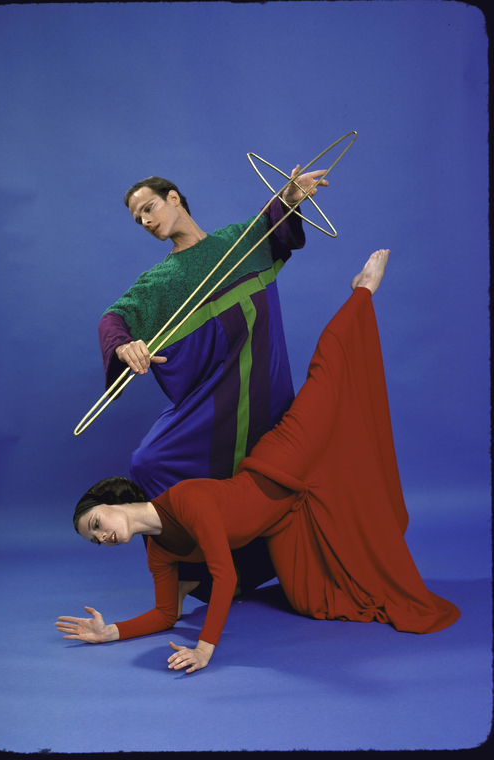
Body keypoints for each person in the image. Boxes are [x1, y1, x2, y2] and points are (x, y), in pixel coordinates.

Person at [58, 249, 460, 674]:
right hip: (283, 519)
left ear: (113, 501)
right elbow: (164, 615)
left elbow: (225, 577)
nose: (102, 537)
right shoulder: (158, 552)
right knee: (313, 602)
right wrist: (111, 632)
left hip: (278, 464)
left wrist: (204, 651)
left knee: (327, 380)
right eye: (94, 540)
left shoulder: (186, 501)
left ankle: (362, 291)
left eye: (96, 524)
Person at [98, 166, 329, 604]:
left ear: (174, 199)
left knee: (283, 476)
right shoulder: (160, 284)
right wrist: (124, 347)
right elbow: (114, 320)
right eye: (138, 219)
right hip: (214, 406)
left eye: (149, 208)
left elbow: (275, 223)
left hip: (269, 398)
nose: (146, 221)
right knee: (148, 462)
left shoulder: (239, 243)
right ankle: (189, 570)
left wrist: (293, 197)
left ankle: (266, 567)